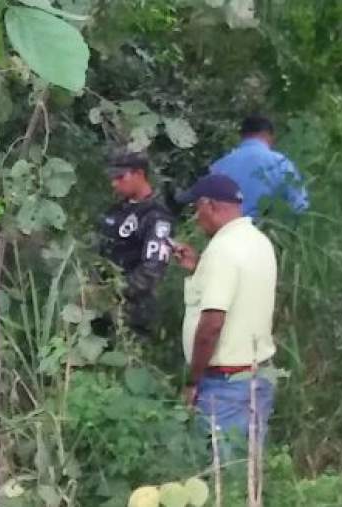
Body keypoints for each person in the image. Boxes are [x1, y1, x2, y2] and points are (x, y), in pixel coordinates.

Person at [172, 174, 277, 449]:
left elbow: (212, 325)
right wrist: (199, 268)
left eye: (197, 208)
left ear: (210, 205)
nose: (196, 217)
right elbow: (242, 291)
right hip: (257, 376)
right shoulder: (258, 242)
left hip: (226, 384)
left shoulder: (222, 250)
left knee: (220, 473)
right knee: (248, 468)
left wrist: (193, 380)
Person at [99, 150, 174, 335]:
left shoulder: (156, 216)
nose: (114, 183)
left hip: (134, 313)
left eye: (120, 177)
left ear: (139, 174)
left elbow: (151, 270)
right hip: (102, 309)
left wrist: (113, 292)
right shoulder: (117, 210)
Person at [210, 114, 309, 218]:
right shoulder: (281, 163)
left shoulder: (218, 166)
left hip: (228, 230)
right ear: (270, 137)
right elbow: (300, 205)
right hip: (266, 229)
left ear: (242, 136)